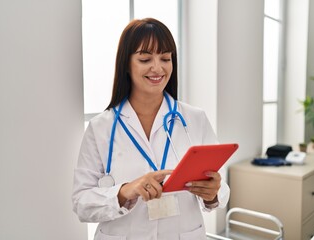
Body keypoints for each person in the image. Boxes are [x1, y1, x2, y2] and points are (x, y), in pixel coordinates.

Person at [72, 18, 230, 239]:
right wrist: (126, 190)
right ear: (126, 64)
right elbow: (81, 202)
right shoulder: (101, 128)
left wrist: (212, 194)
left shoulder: (195, 119)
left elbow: (220, 184)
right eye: (145, 59)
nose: (158, 68)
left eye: (165, 58)